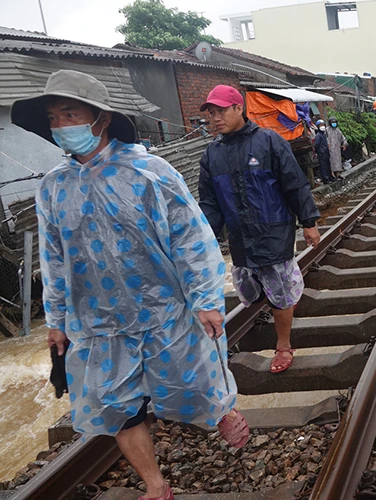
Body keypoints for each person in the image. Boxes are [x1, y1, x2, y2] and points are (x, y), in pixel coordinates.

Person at [13, 70, 249, 500]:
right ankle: (155, 485)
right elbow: (53, 258)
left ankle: (221, 410)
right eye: (54, 117)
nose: (63, 125)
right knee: (119, 408)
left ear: (101, 119)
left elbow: (189, 237)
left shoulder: (148, 172)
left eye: (72, 113)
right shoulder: (53, 188)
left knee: (191, 380)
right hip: (98, 322)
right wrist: (57, 319)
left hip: (163, 309)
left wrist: (207, 298)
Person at [198, 85, 321, 376]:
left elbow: (294, 184)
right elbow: (209, 203)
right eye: (211, 114)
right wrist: (203, 241)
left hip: (274, 230)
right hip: (240, 235)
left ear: (238, 109)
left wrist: (309, 222)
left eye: (221, 111)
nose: (215, 119)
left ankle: (283, 344)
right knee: (249, 289)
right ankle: (266, 323)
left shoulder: (269, 141)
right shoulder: (212, 155)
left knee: (280, 290)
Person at [314, 120, 333, 184]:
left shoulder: (323, 135)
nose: (323, 126)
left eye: (323, 125)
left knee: (327, 165)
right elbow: (317, 145)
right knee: (323, 166)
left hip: (325, 152)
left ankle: (330, 177)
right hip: (322, 153)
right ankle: (326, 179)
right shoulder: (318, 135)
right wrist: (318, 151)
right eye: (321, 125)